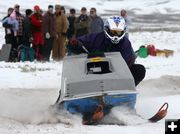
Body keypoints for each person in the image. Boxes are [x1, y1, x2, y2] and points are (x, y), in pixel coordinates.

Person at [67, 16, 145, 86]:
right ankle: (66, 96)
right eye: (113, 32)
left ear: (123, 31)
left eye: (118, 32)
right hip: (91, 71)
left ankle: (126, 91)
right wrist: (74, 44)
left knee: (139, 70)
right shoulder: (96, 38)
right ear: (106, 29)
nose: (115, 36)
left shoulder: (125, 44)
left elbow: (126, 62)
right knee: (73, 73)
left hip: (117, 75)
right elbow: (81, 41)